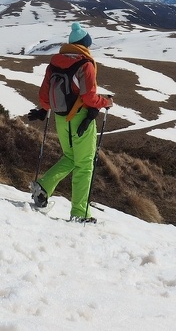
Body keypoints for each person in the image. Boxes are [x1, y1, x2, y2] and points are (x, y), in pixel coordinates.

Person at [28, 23, 113, 223]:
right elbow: (90, 98)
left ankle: (44, 186)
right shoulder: (85, 64)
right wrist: (106, 102)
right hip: (81, 118)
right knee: (84, 165)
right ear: (85, 44)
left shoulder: (55, 63)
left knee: (71, 156)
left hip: (60, 117)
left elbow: (44, 96)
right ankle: (80, 213)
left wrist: (44, 110)